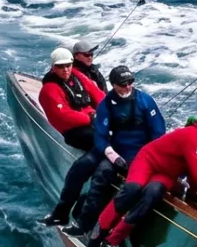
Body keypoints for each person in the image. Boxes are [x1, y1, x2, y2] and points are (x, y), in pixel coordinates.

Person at [86, 113, 197, 247]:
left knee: (151, 195)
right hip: (148, 161)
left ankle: (113, 240)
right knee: (131, 190)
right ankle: (96, 236)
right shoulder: (193, 136)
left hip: (166, 173)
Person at [55, 65, 164, 232]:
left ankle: (119, 229)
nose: (127, 87)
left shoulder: (146, 101)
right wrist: (113, 156)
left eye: (130, 82)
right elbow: (100, 136)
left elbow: (158, 132)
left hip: (143, 155)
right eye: (123, 84)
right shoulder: (106, 105)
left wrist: (150, 158)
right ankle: (84, 225)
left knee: (135, 187)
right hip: (118, 153)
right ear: (113, 85)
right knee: (101, 175)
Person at [38, 46, 104, 149]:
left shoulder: (77, 75)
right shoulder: (49, 89)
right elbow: (63, 116)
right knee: (97, 137)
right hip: (73, 130)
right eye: (60, 66)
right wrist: (90, 118)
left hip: (93, 119)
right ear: (53, 67)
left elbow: (97, 93)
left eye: (68, 65)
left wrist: (105, 111)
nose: (65, 70)